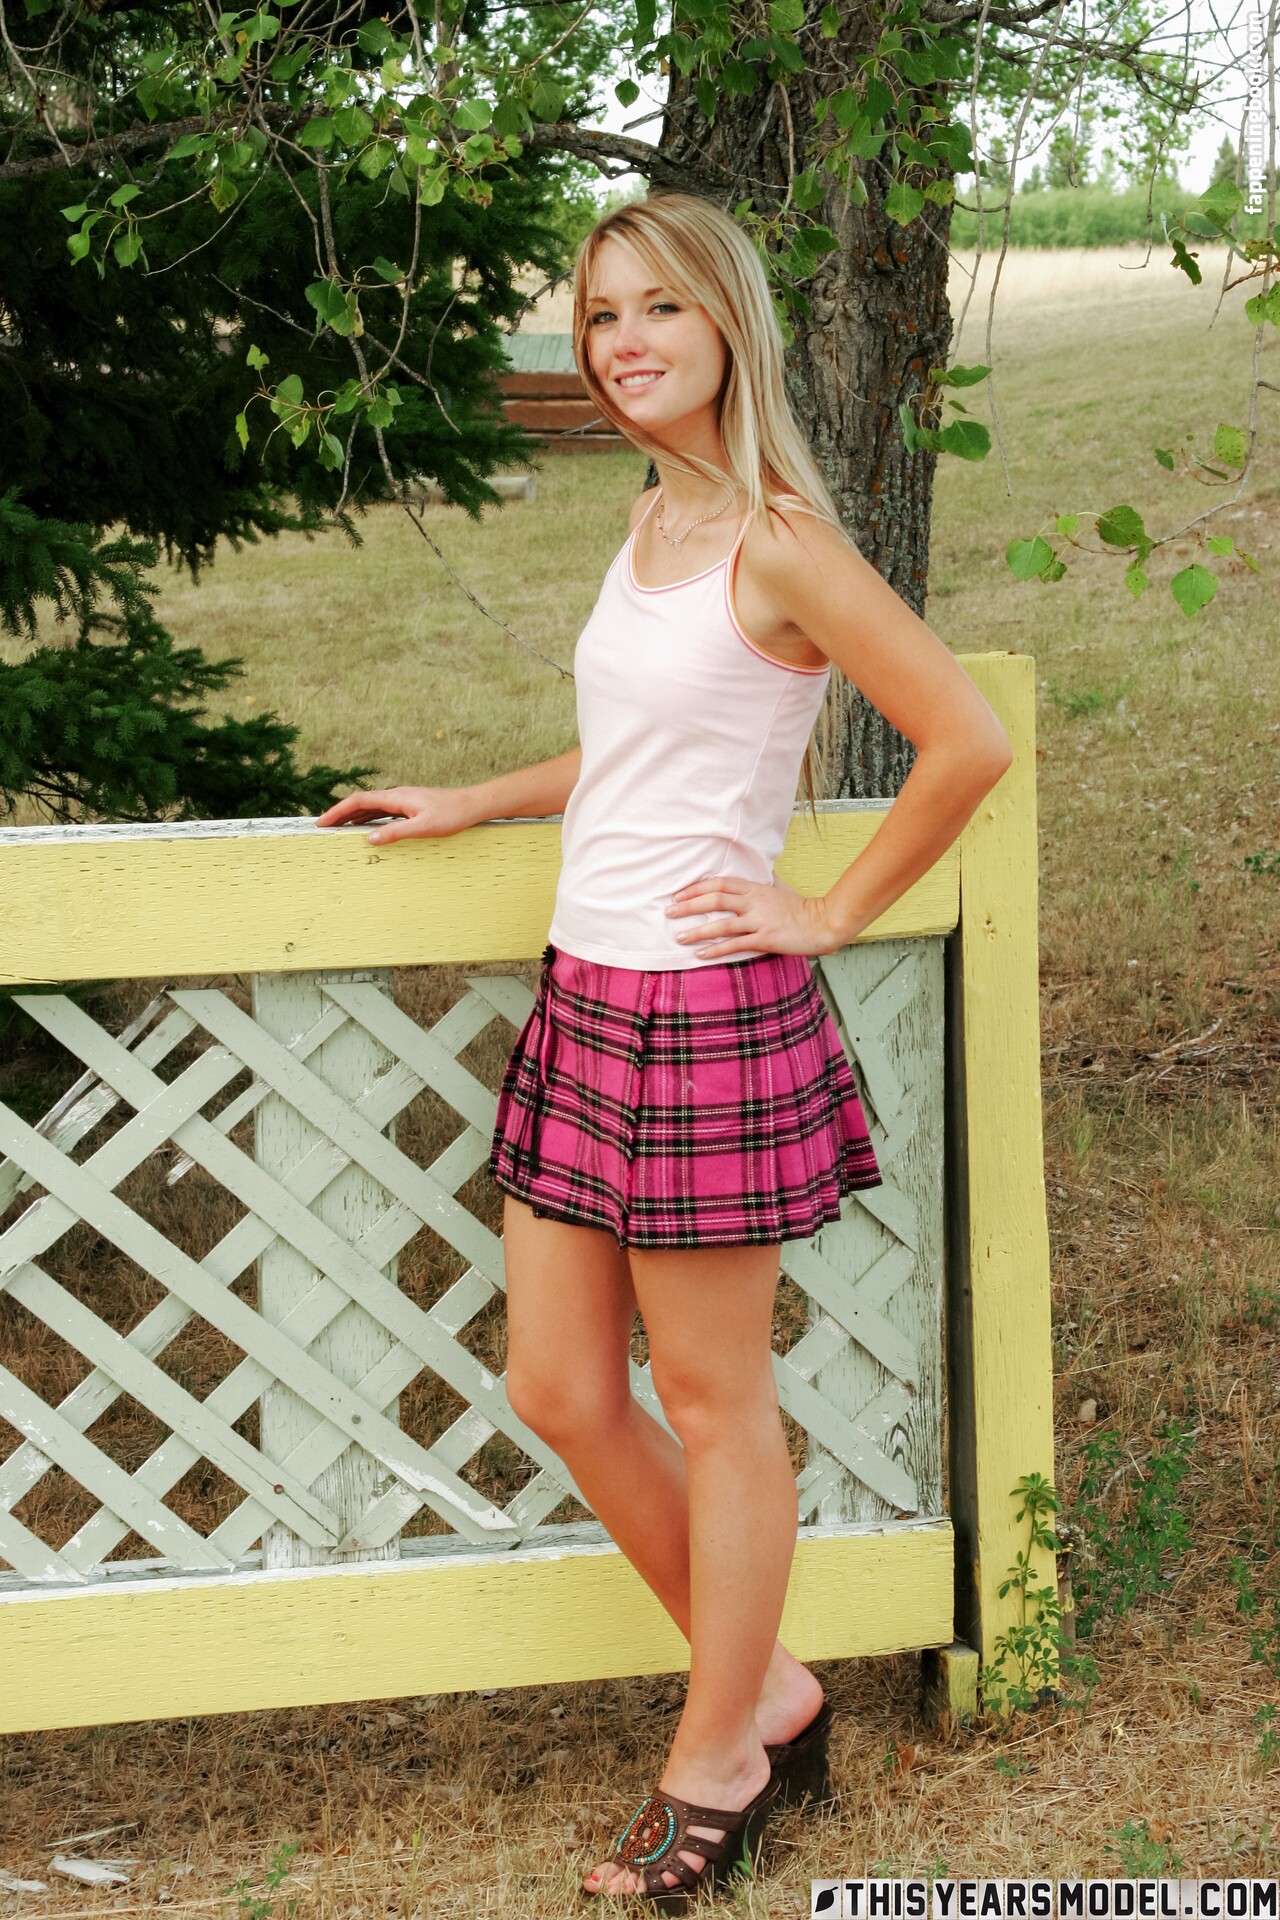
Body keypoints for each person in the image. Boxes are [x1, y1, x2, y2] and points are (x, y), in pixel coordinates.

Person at [317, 191, 1013, 1911]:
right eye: (602, 313)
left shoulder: (783, 540)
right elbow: (632, 744)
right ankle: (767, 1690)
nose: (623, 342)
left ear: (727, 327)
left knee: (715, 1402)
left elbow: (966, 739)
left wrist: (829, 911)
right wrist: (478, 798)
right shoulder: (654, 514)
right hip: (589, 994)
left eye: (659, 310)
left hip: (705, 1018)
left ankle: (719, 1760)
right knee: (557, 1387)